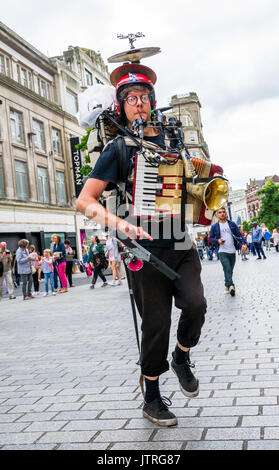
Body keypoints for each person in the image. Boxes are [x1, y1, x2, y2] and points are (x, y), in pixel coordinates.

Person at [76, 62, 206, 427]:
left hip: (181, 242)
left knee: (196, 305)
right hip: (144, 251)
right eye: (131, 98)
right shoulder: (118, 148)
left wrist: (207, 198)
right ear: (121, 106)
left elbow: (194, 186)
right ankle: (151, 397)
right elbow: (84, 201)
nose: (138, 103)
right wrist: (118, 224)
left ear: (152, 101)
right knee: (155, 326)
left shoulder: (174, 143)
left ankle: (181, 357)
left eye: (144, 97)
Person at [209, 207, 247, 296]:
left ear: (226, 213)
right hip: (222, 251)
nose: (222, 213)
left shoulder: (232, 224)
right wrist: (217, 241)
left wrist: (243, 244)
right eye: (220, 212)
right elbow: (210, 238)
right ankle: (231, 286)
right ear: (217, 215)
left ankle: (227, 284)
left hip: (232, 251)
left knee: (230, 270)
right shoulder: (214, 226)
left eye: (223, 212)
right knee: (227, 268)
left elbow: (239, 235)